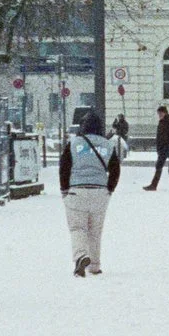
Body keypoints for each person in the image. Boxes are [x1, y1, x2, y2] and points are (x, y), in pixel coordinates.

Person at [59, 111, 122, 276]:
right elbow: (115, 169)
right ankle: (94, 265)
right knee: (95, 230)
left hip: (76, 191)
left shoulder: (73, 144)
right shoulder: (108, 145)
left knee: (77, 228)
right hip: (100, 192)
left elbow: (64, 167)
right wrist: (110, 188)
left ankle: (81, 255)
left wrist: (64, 189)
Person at [145, 104, 169, 192]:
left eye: (160, 113)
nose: (159, 115)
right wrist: (159, 147)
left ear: (165, 113)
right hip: (163, 148)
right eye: (159, 114)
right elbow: (160, 136)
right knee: (159, 166)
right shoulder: (162, 122)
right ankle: (154, 185)